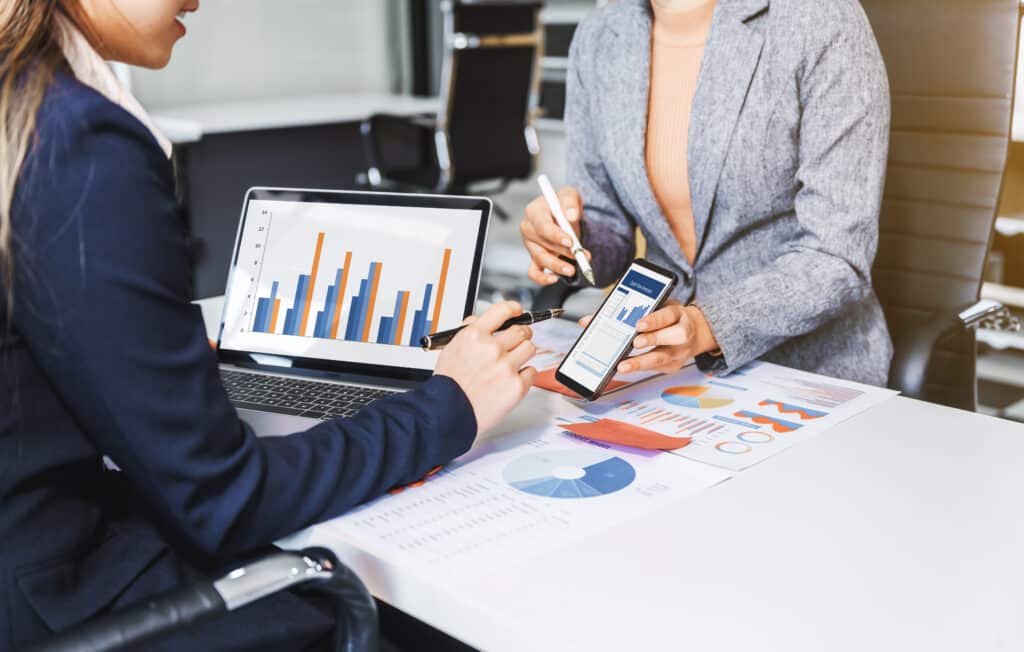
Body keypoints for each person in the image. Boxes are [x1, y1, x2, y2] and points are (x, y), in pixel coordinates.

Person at [0, 1, 536, 650]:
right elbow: (225, 502)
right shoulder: (77, 141)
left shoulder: (24, 111)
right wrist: (450, 404)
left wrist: (157, 366)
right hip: (71, 599)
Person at [520, 0, 893, 386]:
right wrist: (570, 241)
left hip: (808, 372)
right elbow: (609, 229)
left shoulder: (818, 18)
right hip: (663, 371)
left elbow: (836, 256)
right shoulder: (598, 36)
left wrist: (706, 325)